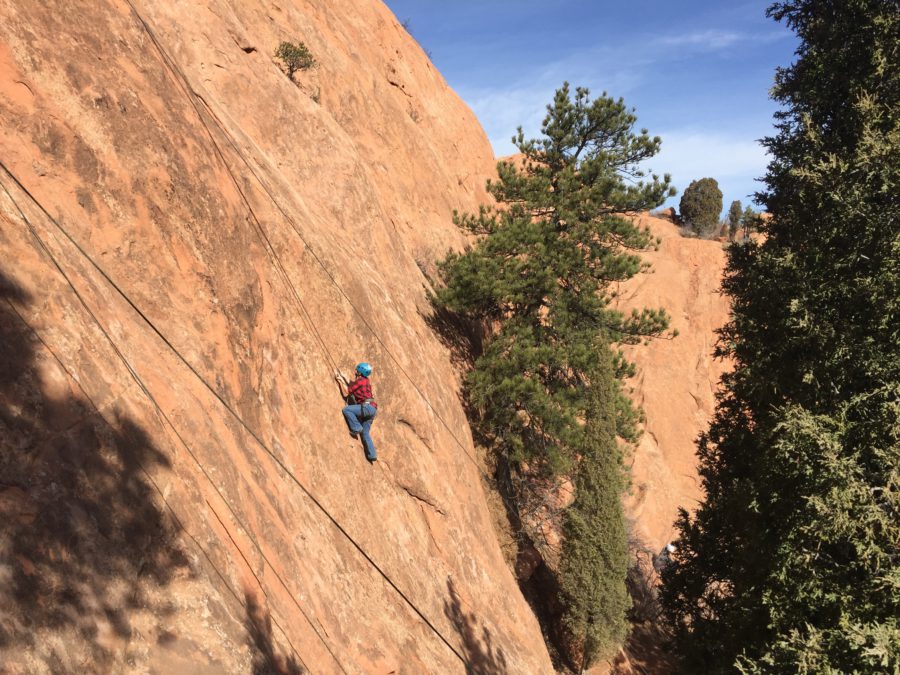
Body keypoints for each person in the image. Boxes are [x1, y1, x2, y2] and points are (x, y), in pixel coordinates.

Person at [335, 362, 378, 462]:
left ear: (360, 372)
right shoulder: (365, 380)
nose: (355, 371)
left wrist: (339, 381)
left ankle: (356, 427)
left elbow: (347, 392)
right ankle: (372, 455)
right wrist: (343, 378)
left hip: (366, 407)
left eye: (357, 370)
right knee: (365, 433)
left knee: (347, 410)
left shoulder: (360, 381)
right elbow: (353, 386)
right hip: (372, 409)